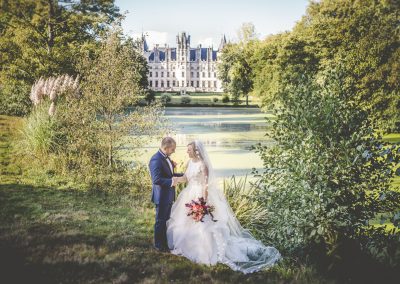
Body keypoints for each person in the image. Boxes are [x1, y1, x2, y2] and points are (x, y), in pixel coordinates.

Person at [166, 140, 281, 274]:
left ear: (196, 151)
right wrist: (175, 180)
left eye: (189, 149)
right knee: (185, 221)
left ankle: (207, 251)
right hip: (189, 194)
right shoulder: (189, 162)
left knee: (203, 224)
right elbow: (186, 177)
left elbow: (206, 185)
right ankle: (188, 246)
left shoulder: (203, 165)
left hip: (200, 195)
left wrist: (202, 202)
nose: (187, 151)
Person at [148, 137, 182, 252]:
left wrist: (184, 176)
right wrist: (172, 182)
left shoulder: (166, 158)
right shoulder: (156, 160)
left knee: (166, 220)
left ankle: (164, 242)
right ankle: (158, 245)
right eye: (173, 149)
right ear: (166, 148)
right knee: (160, 221)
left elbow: (169, 174)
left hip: (168, 195)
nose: (174, 151)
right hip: (161, 196)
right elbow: (156, 179)